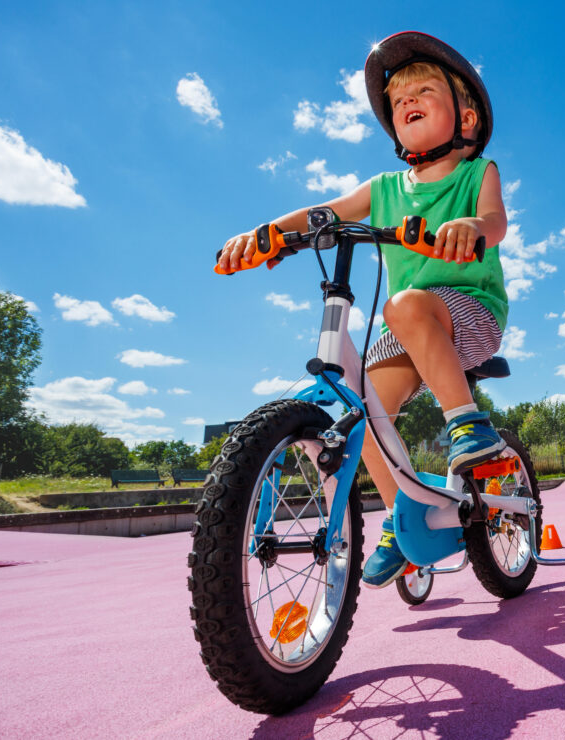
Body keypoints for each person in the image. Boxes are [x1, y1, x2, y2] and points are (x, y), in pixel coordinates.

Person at [216, 32, 510, 588]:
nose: (408, 102)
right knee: (367, 411)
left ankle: (468, 426)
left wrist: (472, 227)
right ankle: (404, 518)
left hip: (469, 313)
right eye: (399, 101)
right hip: (405, 326)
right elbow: (323, 214)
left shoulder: (478, 173)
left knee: (405, 305)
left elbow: (494, 223)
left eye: (424, 90)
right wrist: (266, 236)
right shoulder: (382, 189)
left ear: (465, 120)